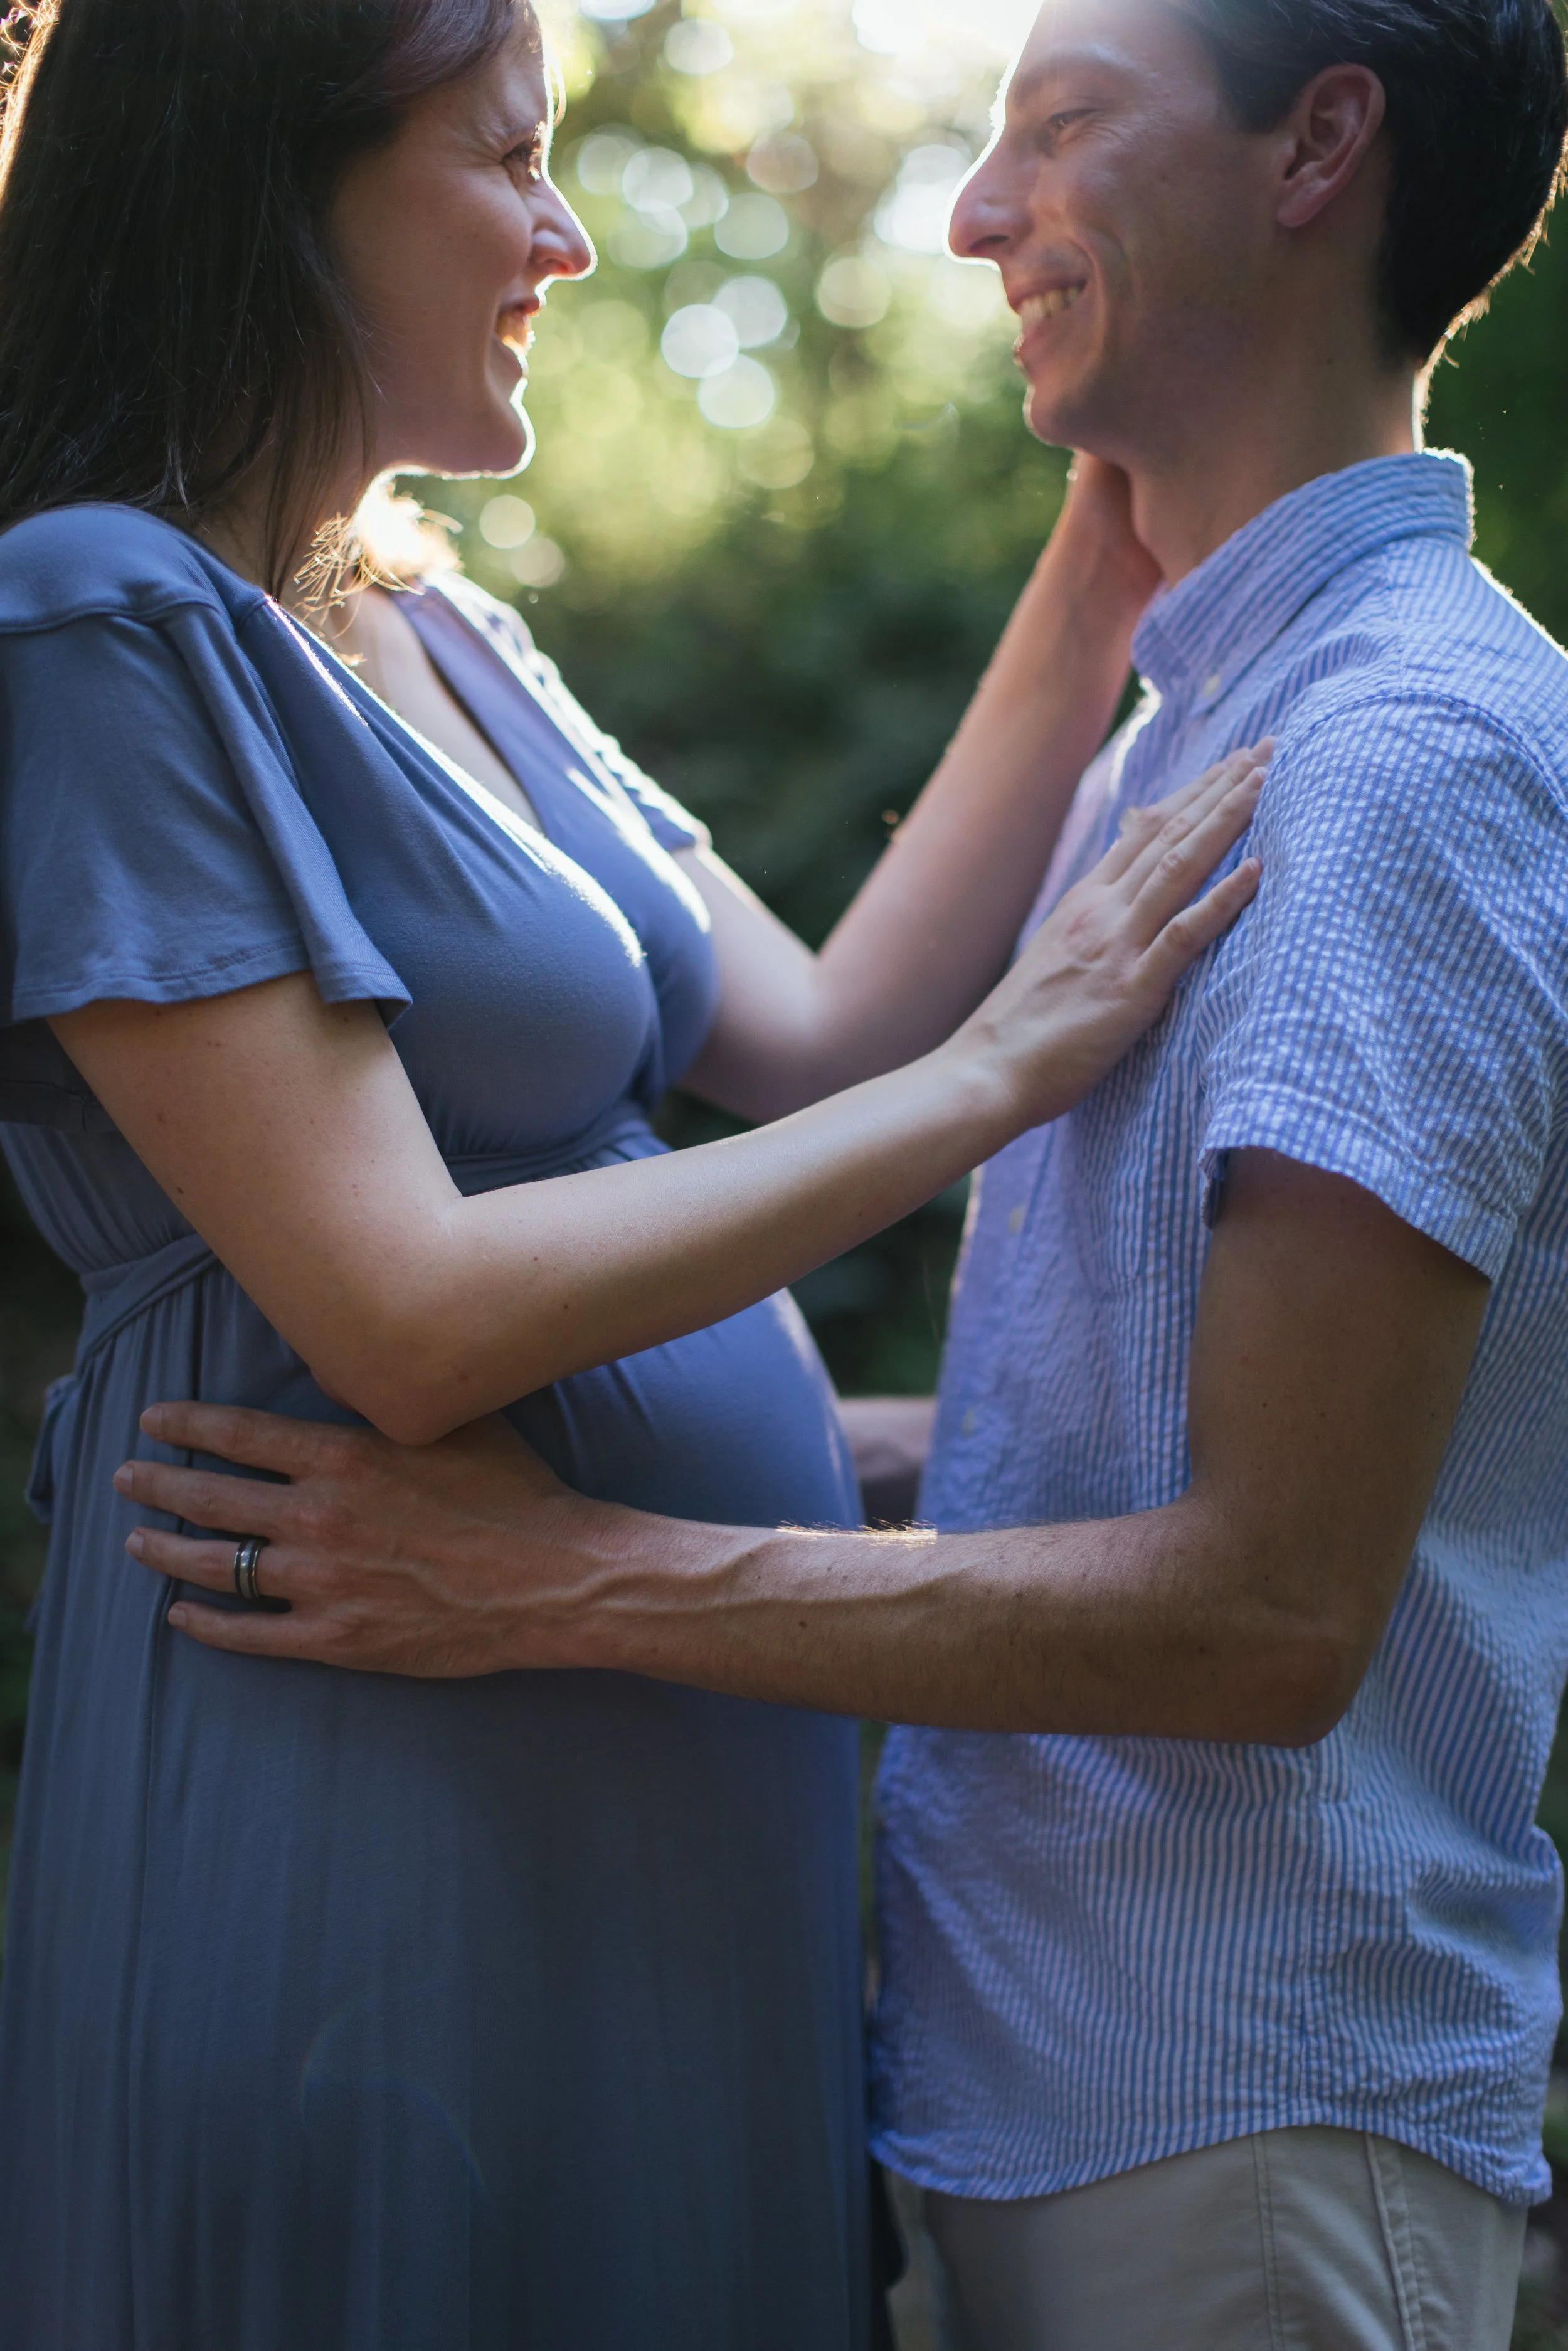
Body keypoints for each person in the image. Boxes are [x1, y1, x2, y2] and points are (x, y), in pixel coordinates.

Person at [131, 1, 1568, 2346]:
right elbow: (1147, 1420)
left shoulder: (1398, 760)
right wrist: (854, 1438)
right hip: (1039, 2097)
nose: (978, 212)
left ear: (1318, 151)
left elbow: (1267, 1608)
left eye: (1059, 134)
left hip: (1233, 2119)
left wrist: (569, 1569)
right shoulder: (1185, 761)